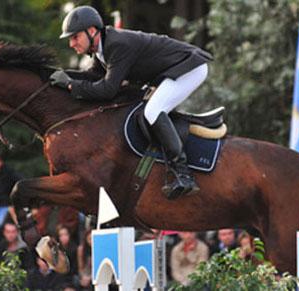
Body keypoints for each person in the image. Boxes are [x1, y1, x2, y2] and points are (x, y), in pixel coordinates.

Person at [50, 6, 212, 199]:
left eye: (75, 37)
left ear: (91, 31)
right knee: (148, 108)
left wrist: (70, 86)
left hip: (189, 68)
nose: (71, 43)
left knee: (152, 110)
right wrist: (61, 76)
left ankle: (183, 173)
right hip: (172, 71)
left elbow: (108, 90)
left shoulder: (116, 45)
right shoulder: (102, 48)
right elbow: (93, 76)